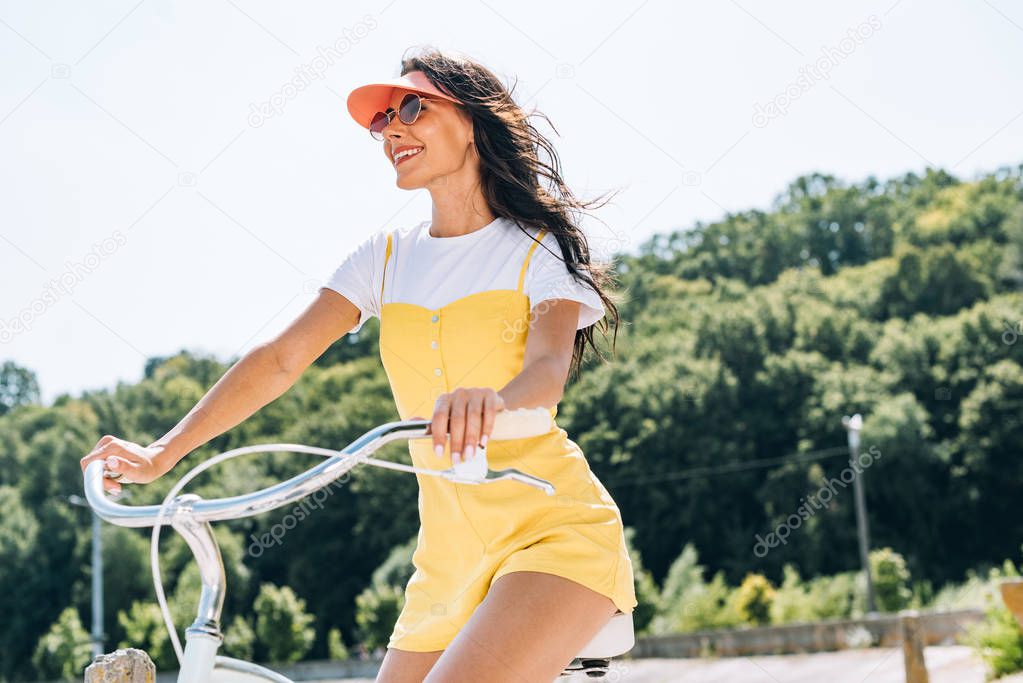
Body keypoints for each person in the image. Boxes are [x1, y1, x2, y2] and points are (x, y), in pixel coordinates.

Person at [81, 46, 637, 682]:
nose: (391, 129)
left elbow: (545, 372)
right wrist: (163, 452)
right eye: (380, 122)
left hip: (551, 535)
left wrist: (494, 400)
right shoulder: (386, 259)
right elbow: (282, 359)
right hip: (446, 560)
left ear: (476, 120)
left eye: (409, 107)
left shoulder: (535, 251)